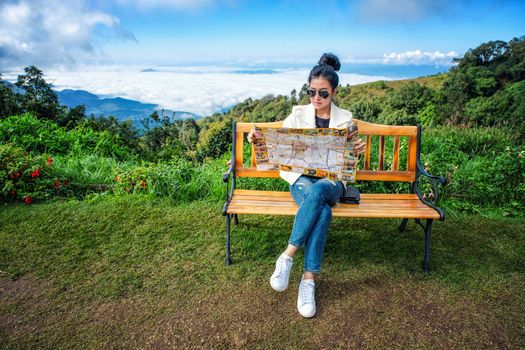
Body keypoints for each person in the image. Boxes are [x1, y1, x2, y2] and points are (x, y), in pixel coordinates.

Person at [247, 53, 366, 318]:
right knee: (322, 210)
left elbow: (351, 160)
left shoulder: (345, 119)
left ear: (334, 91)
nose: (316, 98)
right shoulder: (297, 115)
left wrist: (358, 149)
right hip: (301, 180)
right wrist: (254, 137)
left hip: (331, 183)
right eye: (311, 91)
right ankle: (308, 281)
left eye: (323, 93)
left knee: (321, 190)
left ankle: (288, 255)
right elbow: (274, 142)